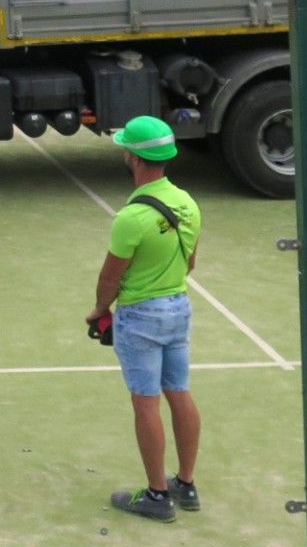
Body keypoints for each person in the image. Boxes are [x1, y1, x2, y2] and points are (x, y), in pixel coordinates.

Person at [87, 115, 203, 523]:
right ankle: (185, 483)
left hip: (140, 317)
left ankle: (156, 495)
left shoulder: (130, 218)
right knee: (180, 391)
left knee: (146, 401)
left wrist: (100, 311)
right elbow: (189, 263)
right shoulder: (188, 204)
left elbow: (110, 277)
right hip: (178, 309)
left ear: (133, 158)